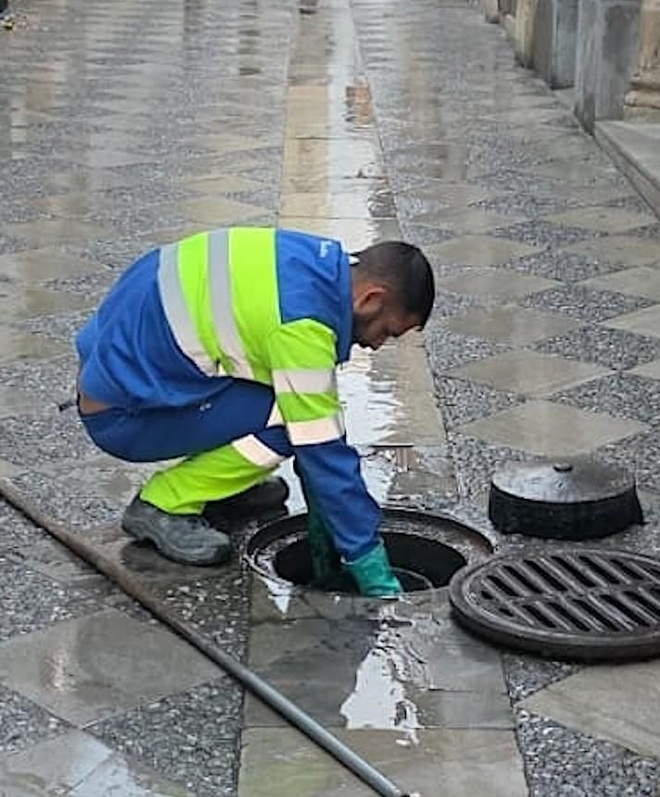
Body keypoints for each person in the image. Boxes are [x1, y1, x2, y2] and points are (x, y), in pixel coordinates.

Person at [73, 227, 435, 597]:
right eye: (388, 331)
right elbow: (321, 449)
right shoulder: (302, 326)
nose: (376, 345)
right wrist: (370, 565)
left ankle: (225, 484)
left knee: (297, 404)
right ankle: (164, 503)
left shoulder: (311, 259)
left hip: (114, 370)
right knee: (289, 423)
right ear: (372, 298)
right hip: (121, 417)